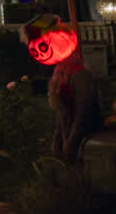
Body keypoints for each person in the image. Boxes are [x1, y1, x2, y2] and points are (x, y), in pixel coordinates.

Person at [21, 14, 102, 162]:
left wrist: (71, 142)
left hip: (87, 137)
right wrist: (58, 139)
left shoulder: (80, 75)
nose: (40, 53)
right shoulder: (59, 73)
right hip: (69, 133)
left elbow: (83, 111)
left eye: (43, 46)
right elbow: (61, 112)